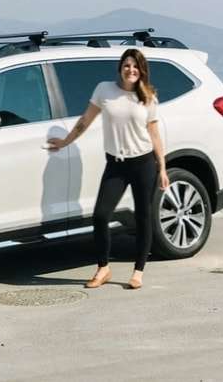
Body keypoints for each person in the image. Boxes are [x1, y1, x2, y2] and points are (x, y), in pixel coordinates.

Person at [47, 48, 169, 289]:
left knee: (143, 217)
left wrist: (162, 168)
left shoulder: (148, 97)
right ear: (120, 68)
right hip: (116, 164)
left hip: (144, 163)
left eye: (135, 66)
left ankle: (138, 272)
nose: (131, 70)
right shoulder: (105, 90)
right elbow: (86, 120)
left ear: (142, 70)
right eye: (127, 65)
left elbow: (154, 134)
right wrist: (65, 142)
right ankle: (103, 268)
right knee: (101, 215)